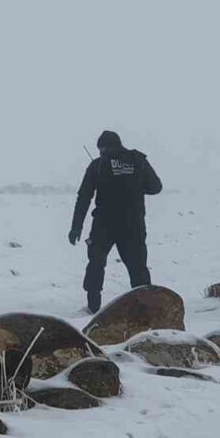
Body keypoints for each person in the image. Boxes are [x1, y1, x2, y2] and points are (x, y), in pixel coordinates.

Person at [69, 130, 162, 313]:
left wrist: (76, 227)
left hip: (104, 225)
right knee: (138, 268)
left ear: (103, 148)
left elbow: (84, 197)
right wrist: (134, 184)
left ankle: (93, 307)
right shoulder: (138, 160)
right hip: (133, 225)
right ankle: (145, 310)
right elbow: (156, 187)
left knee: (96, 264)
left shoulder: (97, 165)